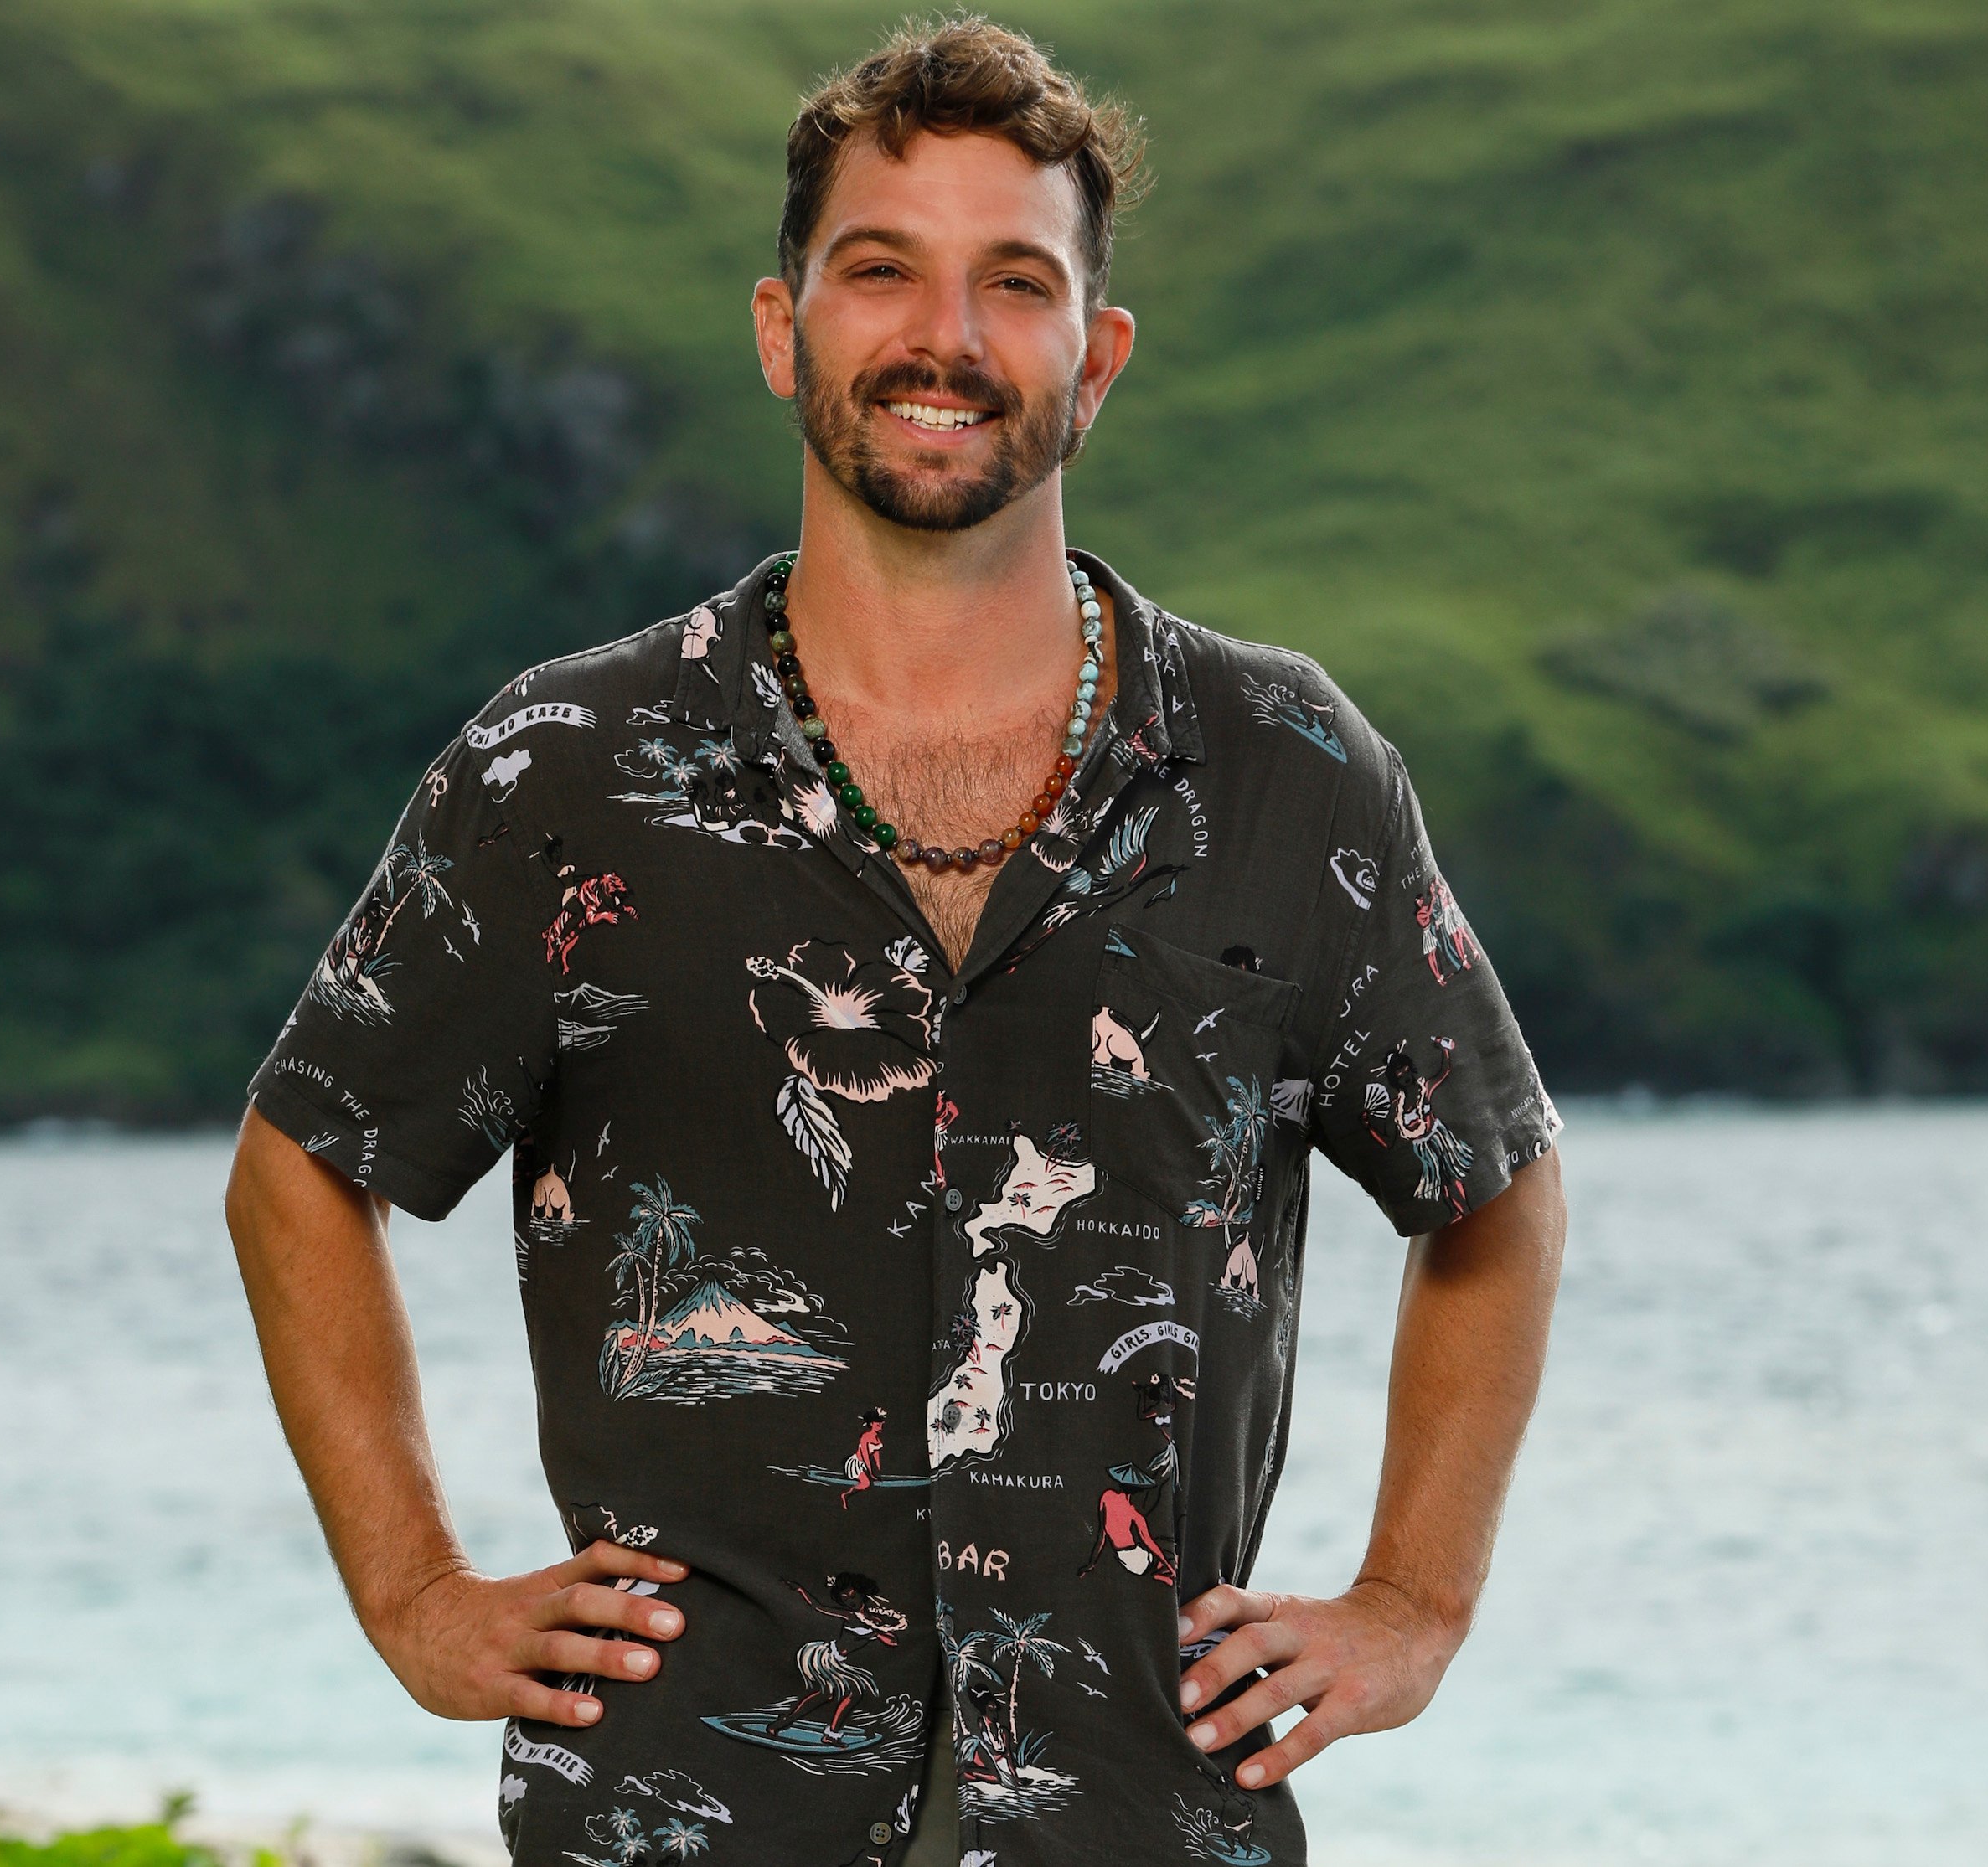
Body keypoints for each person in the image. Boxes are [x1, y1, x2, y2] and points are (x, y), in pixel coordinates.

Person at [222, 18, 1567, 1867]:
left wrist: (1412, 1598)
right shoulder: (565, 771)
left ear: (1090, 360)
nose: (946, 338)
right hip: (680, 1808)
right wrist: (415, 1590)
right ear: (785, 328)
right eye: (882, 271)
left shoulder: (1287, 769)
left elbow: (1491, 1186)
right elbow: (304, 1159)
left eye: (1014, 284)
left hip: (1139, 1816)